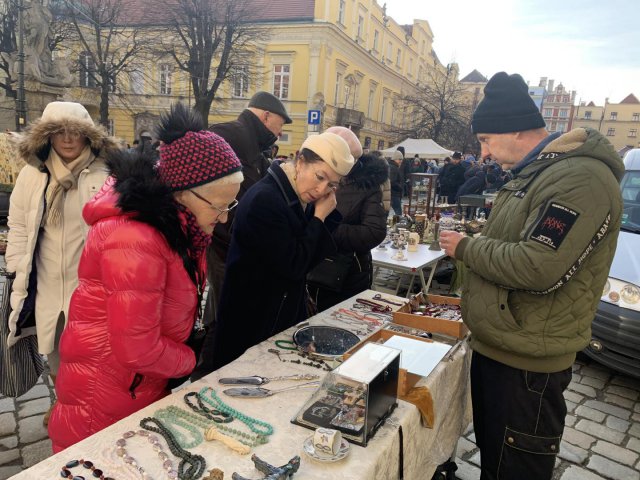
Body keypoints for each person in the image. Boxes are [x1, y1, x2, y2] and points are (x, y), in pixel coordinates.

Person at [439, 72, 624, 480]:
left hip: (527, 366)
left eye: (486, 140)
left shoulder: (580, 178)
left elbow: (538, 265)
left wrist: (466, 248)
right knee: (496, 463)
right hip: (503, 347)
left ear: (515, 130)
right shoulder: (539, 173)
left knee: (515, 469)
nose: (482, 154)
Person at [47, 104, 243, 452]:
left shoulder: (180, 227)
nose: (224, 218)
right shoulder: (137, 237)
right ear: (184, 192)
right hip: (104, 398)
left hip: (133, 388)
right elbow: (138, 348)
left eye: (230, 206)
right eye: (219, 206)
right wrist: (189, 358)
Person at [195, 132, 354, 374]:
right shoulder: (266, 199)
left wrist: (323, 218)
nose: (322, 189)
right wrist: (320, 218)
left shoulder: (295, 193)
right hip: (251, 321)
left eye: (331, 185)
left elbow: (309, 256)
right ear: (300, 162)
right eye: (320, 177)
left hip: (276, 315)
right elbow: (295, 264)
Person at [5, 102, 115, 424]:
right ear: (47, 137)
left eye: (76, 133)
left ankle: (87, 405)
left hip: (89, 286)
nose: (68, 140)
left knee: (90, 351)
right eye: (59, 132)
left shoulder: (106, 174)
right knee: (53, 352)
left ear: (88, 137)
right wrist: (15, 266)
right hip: (47, 282)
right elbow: (19, 224)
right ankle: (63, 402)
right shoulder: (32, 174)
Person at [203, 91, 292, 334]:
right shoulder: (229, 134)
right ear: (266, 116)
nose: (281, 132)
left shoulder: (251, 143)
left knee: (223, 304)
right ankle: (213, 358)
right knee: (227, 308)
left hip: (233, 240)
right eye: (281, 123)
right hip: (224, 242)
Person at [308, 127, 388, 310]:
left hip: (347, 274)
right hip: (314, 269)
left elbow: (375, 231)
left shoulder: (367, 185)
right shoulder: (317, 177)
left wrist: (327, 228)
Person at [388, 150, 404, 215]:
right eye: (399, 159)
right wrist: (400, 188)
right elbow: (392, 181)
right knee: (398, 212)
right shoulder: (393, 168)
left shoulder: (392, 166)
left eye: (401, 159)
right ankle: (397, 224)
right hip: (394, 194)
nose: (401, 161)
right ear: (395, 159)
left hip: (392, 193)